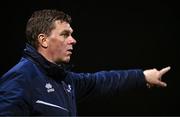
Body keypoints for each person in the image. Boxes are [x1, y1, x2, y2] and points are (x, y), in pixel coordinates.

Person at [0, 9, 170, 116]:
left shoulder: (65, 81)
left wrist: (142, 76)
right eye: (65, 34)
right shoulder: (21, 78)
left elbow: (103, 81)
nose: (73, 40)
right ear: (43, 40)